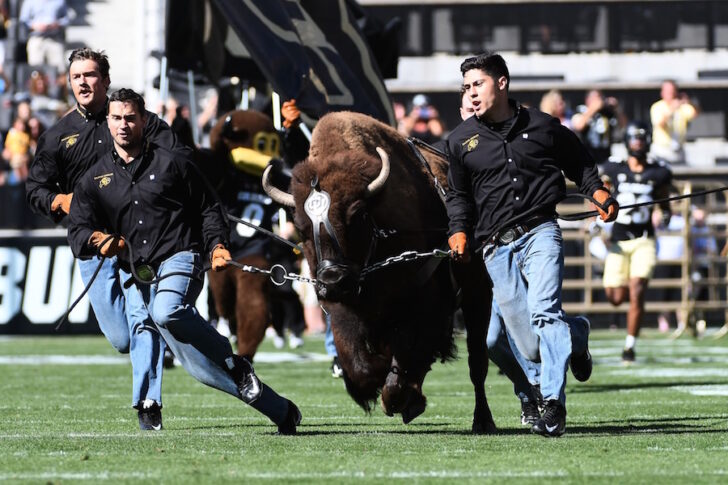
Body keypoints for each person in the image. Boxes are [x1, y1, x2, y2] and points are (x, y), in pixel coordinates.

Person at [67, 88, 301, 434]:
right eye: (116, 118)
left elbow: (209, 207)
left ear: (144, 121)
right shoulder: (95, 178)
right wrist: (98, 239)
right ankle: (280, 409)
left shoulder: (173, 162)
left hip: (180, 256)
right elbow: (78, 227)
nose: (123, 125)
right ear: (107, 123)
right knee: (198, 368)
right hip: (138, 269)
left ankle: (227, 363)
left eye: (130, 117)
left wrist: (218, 246)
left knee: (164, 311)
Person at [446, 52, 618, 437]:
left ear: (501, 83)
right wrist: (457, 229)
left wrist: (598, 192)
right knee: (530, 346)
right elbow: (457, 196)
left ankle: (553, 405)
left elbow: (579, 162)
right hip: (495, 247)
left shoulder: (543, 126)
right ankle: (578, 334)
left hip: (541, 232)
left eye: (478, 84)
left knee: (544, 315)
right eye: (466, 87)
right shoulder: (459, 141)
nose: (471, 93)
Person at [25, 48, 189, 429]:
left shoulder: (134, 121)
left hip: (139, 238)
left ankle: (149, 403)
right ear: (69, 82)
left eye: (91, 75)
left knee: (142, 315)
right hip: (92, 242)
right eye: (76, 76)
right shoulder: (56, 137)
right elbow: (36, 189)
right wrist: (58, 200)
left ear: (106, 80)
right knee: (121, 336)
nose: (83, 82)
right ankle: (157, 341)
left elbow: (180, 158)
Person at [600, 121, 672, 363]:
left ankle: (629, 346)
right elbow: (599, 194)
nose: (638, 143)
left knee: (637, 290)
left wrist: (665, 213)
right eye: (634, 138)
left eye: (641, 139)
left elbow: (664, 201)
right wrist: (598, 217)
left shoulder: (658, 172)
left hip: (644, 239)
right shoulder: (614, 168)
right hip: (618, 240)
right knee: (615, 297)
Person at [571, 89, 626, 165]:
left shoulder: (608, 113)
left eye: (600, 98)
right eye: (595, 98)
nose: (599, 101)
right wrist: (594, 108)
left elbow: (623, 125)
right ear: (587, 100)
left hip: (605, 156)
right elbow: (579, 125)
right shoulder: (582, 110)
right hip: (587, 156)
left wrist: (617, 109)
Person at [650, 80, 698, 164]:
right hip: (662, 151)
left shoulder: (682, 106)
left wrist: (689, 101)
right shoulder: (657, 107)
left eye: (672, 91)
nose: (671, 94)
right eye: (668, 91)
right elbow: (660, 124)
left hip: (678, 150)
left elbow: (696, 114)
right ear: (662, 93)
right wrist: (672, 109)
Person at [19, 0, 69, 76]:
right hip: (36, 38)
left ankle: (59, 88)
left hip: (54, 39)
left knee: (60, 71)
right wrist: (34, 26)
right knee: (35, 71)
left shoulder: (60, 1)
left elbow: (66, 19)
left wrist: (57, 24)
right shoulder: (29, 1)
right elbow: (23, 20)